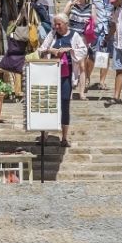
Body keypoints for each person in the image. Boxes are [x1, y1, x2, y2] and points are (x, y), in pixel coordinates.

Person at [38, 14, 83, 148]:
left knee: (65, 104)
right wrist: (50, 50)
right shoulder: (52, 35)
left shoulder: (74, 36)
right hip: (51, 75)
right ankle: (44, 134)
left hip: (66, 76)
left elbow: (83, 50)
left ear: (66, 24)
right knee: (48, 102)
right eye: (55, 24)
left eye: (59, 24)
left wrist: (70, 50)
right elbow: (41, 49)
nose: (56, 27)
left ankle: (64, 137)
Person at [63, 0, 94, 100]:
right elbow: (62, 16)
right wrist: (70, 5)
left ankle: (81, 93)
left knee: (82, 65)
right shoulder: (71, 4)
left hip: (83, 38)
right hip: (71, 37)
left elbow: (94, 21)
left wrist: (89, 22)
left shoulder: (91, 7)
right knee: (70, 65)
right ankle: (70, 91)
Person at [90, 0, 115, 95]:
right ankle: (87, 79)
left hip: (108, 30)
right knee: (91, 55)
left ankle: (102, 81)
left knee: (104, 55)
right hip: (96, 29)